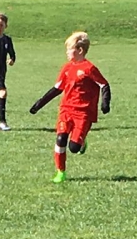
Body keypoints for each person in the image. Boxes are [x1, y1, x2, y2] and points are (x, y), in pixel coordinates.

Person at [29, 32, 111, 184]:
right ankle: (60, 172)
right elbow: (57, 88)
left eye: (69, 49)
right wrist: (39, 104)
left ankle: (81, 141)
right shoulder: (66, 68)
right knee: (60, 138)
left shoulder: (89, 68)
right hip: (66, 110)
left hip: (83, 112)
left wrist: (105, 103)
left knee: (74, 147)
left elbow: (104, 84)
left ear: (80, 50)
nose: (66, 52)